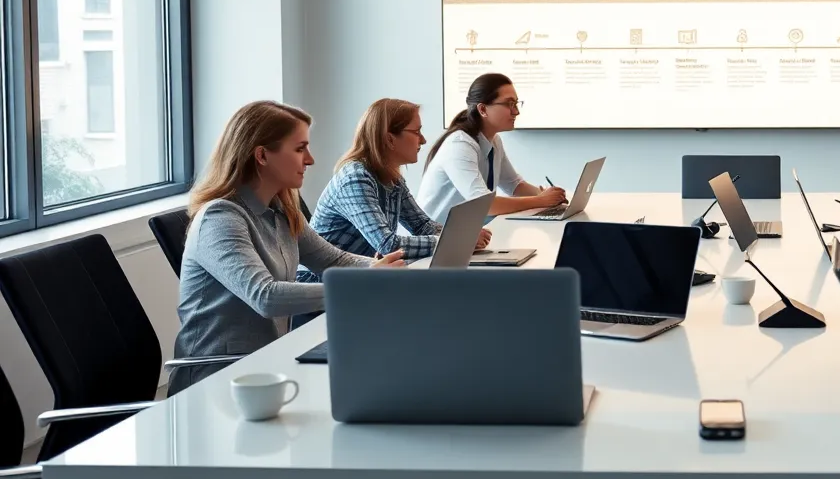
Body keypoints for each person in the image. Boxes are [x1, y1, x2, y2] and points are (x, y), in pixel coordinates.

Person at [171, 101, 405, 394]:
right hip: (217, 380)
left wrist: (380, 269)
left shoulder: (281, 209)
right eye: (299, 149)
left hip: (265, 366)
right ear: (262, 155)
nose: (310, 160)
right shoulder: (220, 218)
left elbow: (331, 258)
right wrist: (359, 286)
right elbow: (266, 297)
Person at [310, 98, 490, 263]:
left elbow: (422, 225)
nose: (424, 140)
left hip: (358, 279)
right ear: (389, 139)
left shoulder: (392, 178)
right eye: (417, 131)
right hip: (323, 284)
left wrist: (464, 235)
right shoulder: (355, 179)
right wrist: (456, 240)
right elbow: (388, 244)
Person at [419, 73, 567, 222]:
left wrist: (550, 196)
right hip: (438, 238)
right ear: (483, 109)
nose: (516, 111)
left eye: (516, 103)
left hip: (469, 232)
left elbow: (514, 185)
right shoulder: (459, 146)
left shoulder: (494, 140)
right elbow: (484, 205)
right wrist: (540, 200)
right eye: (509, 104)